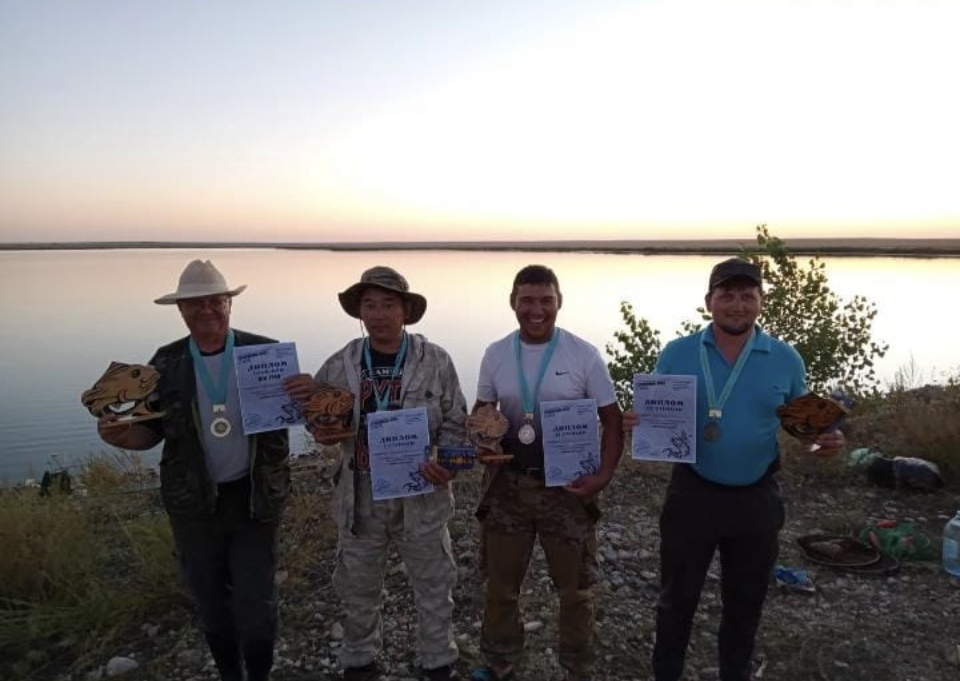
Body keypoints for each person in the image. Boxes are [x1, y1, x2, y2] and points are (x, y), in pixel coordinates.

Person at [623, 258, 845, 681]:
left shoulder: (785, 359)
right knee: (676, 600)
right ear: (709, 301)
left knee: (745, 603)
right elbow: (656, 413)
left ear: (761, 301)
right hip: (692, 494)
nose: (737, 305)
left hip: (756, 497)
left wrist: (825, 443)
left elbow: (806, 431)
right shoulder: (677, 352)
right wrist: (639, 420)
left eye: (747, 295)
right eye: (727, 295)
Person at [95, 259, 290, 681]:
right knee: (210, 602)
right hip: (193, 504)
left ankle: (259, 674)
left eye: (215, 301)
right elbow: (149, 433)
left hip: (255, 499)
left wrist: (311, 397)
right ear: (180, 310)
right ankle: (229, 674)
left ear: (230, 304)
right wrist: (120, 437)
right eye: (195, 304)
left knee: (256, 604)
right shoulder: (165, 363)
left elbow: (297, 414)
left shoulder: (266, 353)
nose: (207, 311)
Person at [284, 266, 466, 681]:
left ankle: (438, 661)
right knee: (358, 586)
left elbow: (457, 421)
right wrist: (318, 420)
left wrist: (447, 467)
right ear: (360, 312)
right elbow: (319, 423)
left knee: (435, 583)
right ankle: (360, 660)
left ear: (405, 310)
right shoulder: (341, 364)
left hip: (422, 492)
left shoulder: (436, 360)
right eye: (370, 305)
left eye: (388, 305)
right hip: (360, 495)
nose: (379, 314)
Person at [470, 264, 623, 681]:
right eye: (527, 300)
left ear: (559, 303)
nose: (536, 310)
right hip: (508, 486)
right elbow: (483, 412)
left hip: (568, 488)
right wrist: (482, 442)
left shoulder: (583, 354)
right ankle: (500, 657)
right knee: (500, 585)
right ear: (513, 303)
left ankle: (578, 664)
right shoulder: (496, 354)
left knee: (575, 589)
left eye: (545, 300)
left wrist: (603, 475)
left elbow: (612, 419)